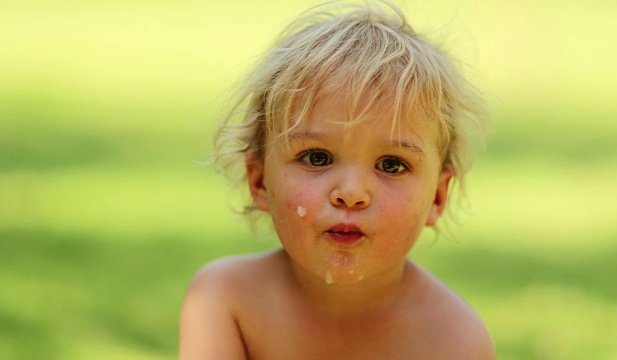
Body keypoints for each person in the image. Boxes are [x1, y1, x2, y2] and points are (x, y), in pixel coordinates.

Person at [179, 1, 494, 359]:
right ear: (260, 181)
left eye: (391, 165)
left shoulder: (452, 340)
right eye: (317, 158)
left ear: (437, 197)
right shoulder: (224, 299)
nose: (351, 193)